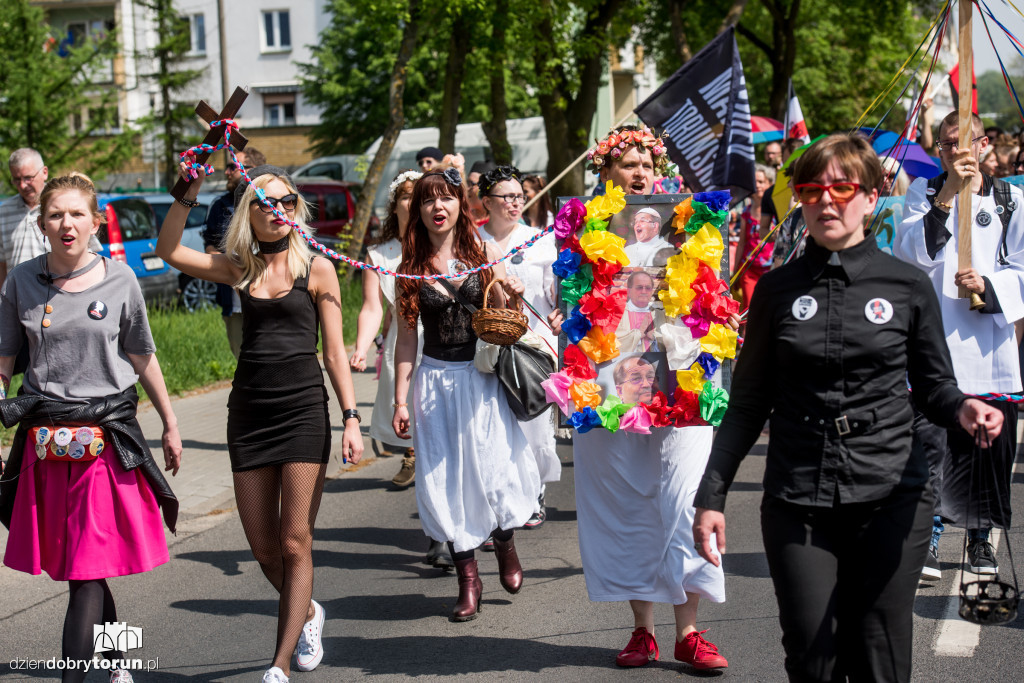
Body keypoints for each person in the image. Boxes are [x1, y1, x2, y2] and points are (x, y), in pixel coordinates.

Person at [693, 133, 1006, 682]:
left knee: (878, 658)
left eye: (841, 187)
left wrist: (963, 408)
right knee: (813, 660)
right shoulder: (776, 290)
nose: (826, 201)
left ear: (871, 196)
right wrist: (711, 496)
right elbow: (747, 403)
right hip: (798, 496)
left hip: (891, 495)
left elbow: (934, 383)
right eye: (811, 190)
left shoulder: (906, 284)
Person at [156, 163, 364, 683]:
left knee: (295, 541)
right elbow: (168, 250)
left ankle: (279, 663)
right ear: (248, 212)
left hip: (302, 413)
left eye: (286, 203)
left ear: (297, 210)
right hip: (249, 413)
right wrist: (191, 188)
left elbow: (335, 354)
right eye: (266, 204)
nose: (277, 212)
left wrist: (353, 418)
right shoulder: (238, 267)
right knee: (263, 547)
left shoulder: (317, 268)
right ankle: (310, 612)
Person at [554, 124, 729, 671]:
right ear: (605, 172)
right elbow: (563, 291)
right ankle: (643, 631)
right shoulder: (582, 226)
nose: (639, 173)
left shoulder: (686, 222)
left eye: (646, 165)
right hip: (611, 385)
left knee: (683, 502)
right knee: (627, 507)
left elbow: (710, 290)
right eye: (627, 164)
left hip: (681, 384)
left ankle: (691, 631)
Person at [0, 173, 182, 683]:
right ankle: (118, 663)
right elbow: (4, 359)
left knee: (83, 574)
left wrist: (170, 423)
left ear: (95, 221)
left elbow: (143, 358)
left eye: (77, 214)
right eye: (56, 214)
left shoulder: (121, 279)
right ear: (41, 223)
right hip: (45, 445)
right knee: (84, 570)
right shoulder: (21, 281)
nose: (66, 224)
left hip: (106, 443)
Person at [392, 168, 540, 622]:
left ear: (460, 204)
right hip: (435, 381)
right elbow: (405, 337)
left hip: (480, 376)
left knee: (493, 469)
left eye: (446, 198)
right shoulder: (408, 269)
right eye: (427, 201)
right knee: (445, 480)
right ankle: (468, 579)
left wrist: (513, 295)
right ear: (417, 211)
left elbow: (508, 317)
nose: (438, 207)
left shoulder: (485, 251)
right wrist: (400, 398)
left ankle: (507, 545)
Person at [895, 111, 1023, 578]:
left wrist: (990, 286)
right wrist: (946, 197)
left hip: (989, 347)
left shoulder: (1010, 199)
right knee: (929, 448)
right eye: (946, 145)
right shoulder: (922, 193)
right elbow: (909, 254)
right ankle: (925, 535)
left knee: (986, 450)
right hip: (934, 345)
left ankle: (979, 538)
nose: (954, 152)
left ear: (983, 144)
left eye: (961, 143)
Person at [349, 170, 444, 554]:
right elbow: (372, 307)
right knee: (422, 444)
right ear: (397, 204)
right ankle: (439, 529)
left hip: (443, 348)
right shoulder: (381, 254)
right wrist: (360, 345)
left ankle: (454, 528)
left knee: (444, 443)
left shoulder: (444, 245)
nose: (412, 202)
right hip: (401, 352)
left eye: (418, 195)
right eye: (405, 196)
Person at [479, 165, 558, 529]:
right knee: (497, 424)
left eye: (519, 197)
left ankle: (537, 489)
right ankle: (506, 493)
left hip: (534, 343)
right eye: (506, 197)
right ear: (485, 202)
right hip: (489, 344)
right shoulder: (473, 242)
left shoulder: (541, 239)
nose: (515, 203)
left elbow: (556, 292)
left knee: (536, 423)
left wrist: (561, 314)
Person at [203, 147, 267, 358]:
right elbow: (210, 246)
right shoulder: (219, 206)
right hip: (234, 304)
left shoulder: (272, 204)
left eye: (233, 167)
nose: (227, 172)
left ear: (254, 170)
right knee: (243, 361)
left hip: (270, 299)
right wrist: (229, 265)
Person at [1, 148, 49, 284]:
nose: (22, 185)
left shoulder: (63, 206)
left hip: (55, 296)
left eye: (28, 178)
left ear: (44, 172)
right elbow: (1, 264)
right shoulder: (4, 212)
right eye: (16, 180)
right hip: (16, 297)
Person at [733, 164, 776, 309]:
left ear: (770, 183)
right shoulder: (746, 211)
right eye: (755, 182)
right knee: (749, 308)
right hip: (748, 268)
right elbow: (742, 242)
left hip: (771, 269)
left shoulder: (777, 211)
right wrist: (735, 270)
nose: (757, 185)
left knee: (768, 308)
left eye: (761, 182)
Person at [615, 270, 665, 353]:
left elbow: (671, 347)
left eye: (648, 288)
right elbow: (612, 344)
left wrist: (654, 337)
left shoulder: (660, 315)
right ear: (629, 290)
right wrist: (639, 333)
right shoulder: (618, 314)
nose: (644, 292)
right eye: (639, 287)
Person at [466, 160, 496, 226]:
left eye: (471, 183)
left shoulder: (499, 222)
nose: (467, 188)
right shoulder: (461, 217)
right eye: (467, 183)